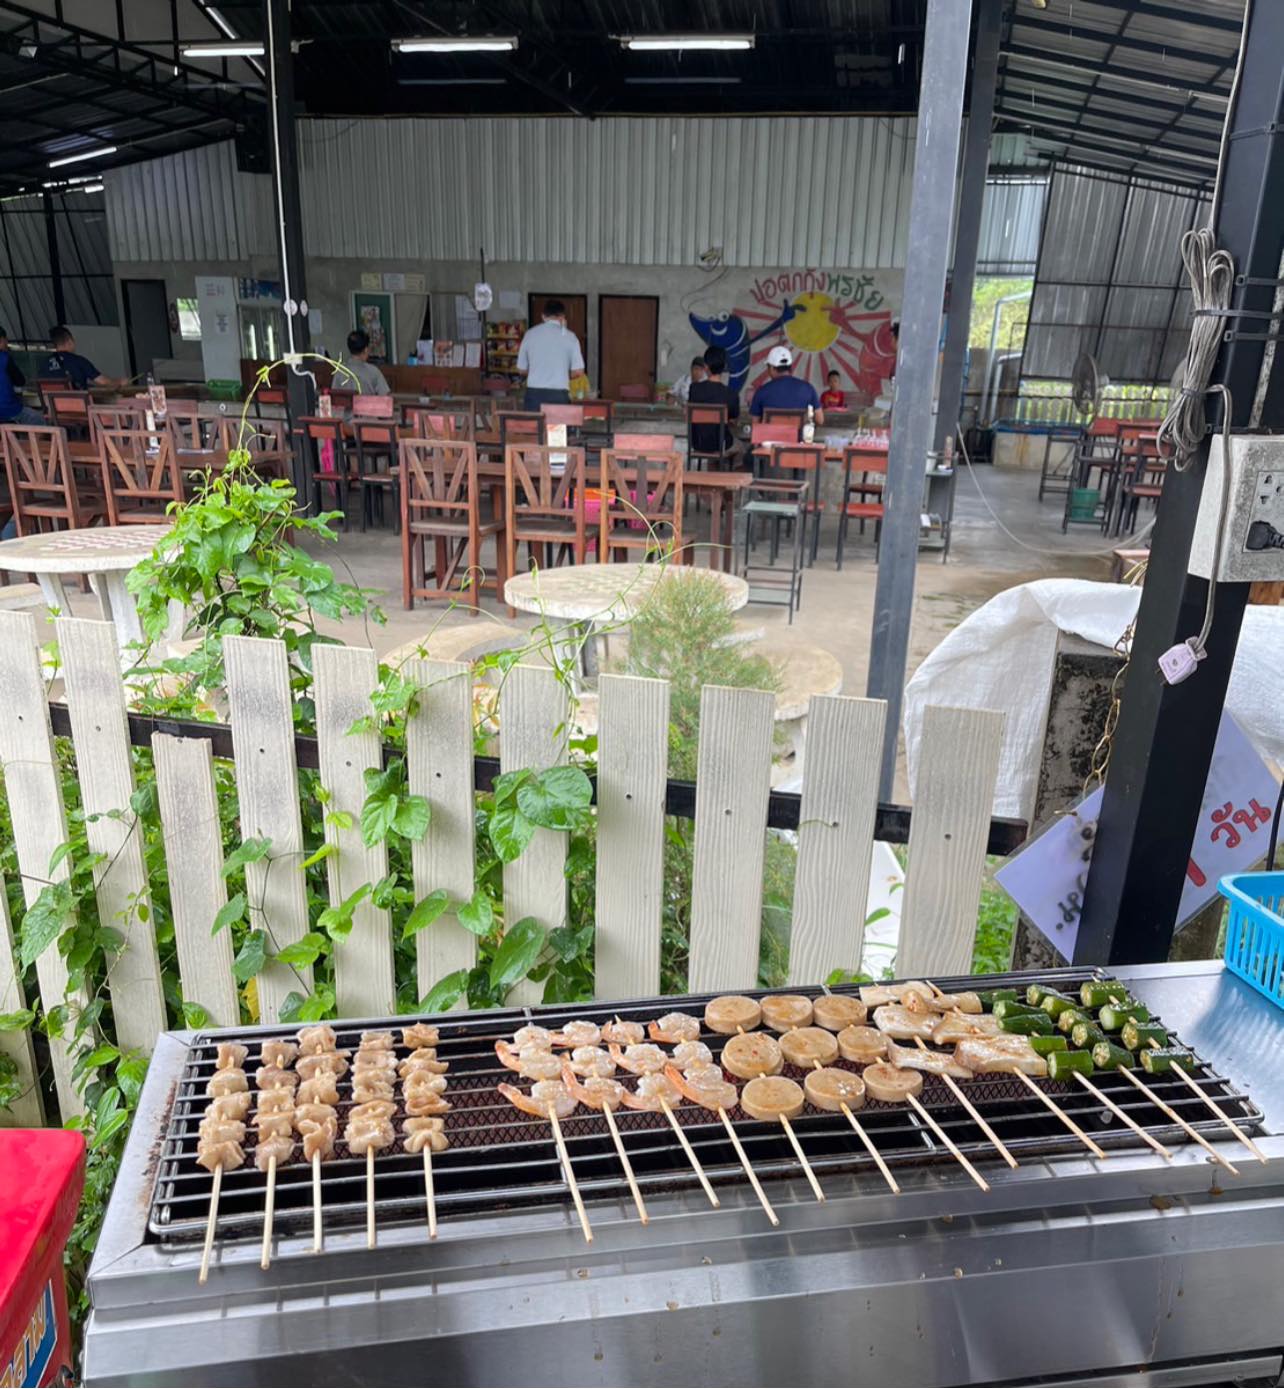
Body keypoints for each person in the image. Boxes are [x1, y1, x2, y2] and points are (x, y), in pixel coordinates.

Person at [516, 300, 584, 411]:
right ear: (562, 317)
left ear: (543, 316)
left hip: (534, 395)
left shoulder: (530, 334)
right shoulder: (570, 337)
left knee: (534, 427)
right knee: (558, 428)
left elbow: (521, 370)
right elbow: (578, 372)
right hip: (559, 395)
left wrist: (537, 371)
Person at [687, 346, 740, 462]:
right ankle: (728, 477)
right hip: (721, 444)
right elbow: (733, 422)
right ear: (724, 367)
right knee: (741, 448)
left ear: (706, 367)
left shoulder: (694, 389)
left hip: (697, 443)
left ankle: (713, 470)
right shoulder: (731, 394)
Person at [749, 344, 824, 424]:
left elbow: (755, 425)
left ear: (772, 368)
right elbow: (820, 420)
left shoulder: (761, 392)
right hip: (798, 436)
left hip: (770, 437)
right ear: (790, 367)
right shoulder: (808, 389)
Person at [42, 325, 120, 391]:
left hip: (52, 407)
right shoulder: (79, 361)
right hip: (78, 407)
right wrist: (120, 382)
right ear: (70, 341)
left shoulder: (45, 364)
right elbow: (103, 382)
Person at [0, 328, 44, 426]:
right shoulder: (5, 358)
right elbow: (20, 381)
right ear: (2, 340)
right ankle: (35, 441)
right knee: (38, 419)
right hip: (8, 409)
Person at [338, 329, 390, 397]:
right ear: (366, 349)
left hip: (346, 407)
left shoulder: (339, 371)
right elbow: (385, 396)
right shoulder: (373, 371)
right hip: (369, 407)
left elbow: (334, 395)